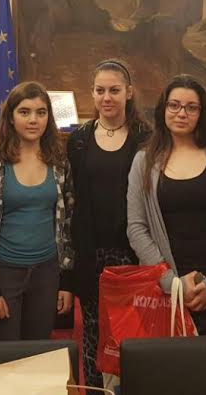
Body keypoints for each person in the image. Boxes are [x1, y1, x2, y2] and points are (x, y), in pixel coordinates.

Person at [126, 74, 206, 335]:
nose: (182, 113)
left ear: (202, 113)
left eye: (191, 107)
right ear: (163, 109)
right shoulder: (143, 162)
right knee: (168, 362)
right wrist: (172, 284)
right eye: (174, 105)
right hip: (163, 291)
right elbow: (136, 228)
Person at [67, 59, 151, 387]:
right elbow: (72, 199)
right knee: (92, 333)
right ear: (92, 93)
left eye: (114, 90)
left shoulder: (147, 138)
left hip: (133, 253)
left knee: (133, 335)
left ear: (129, 92)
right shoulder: (79, 140)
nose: (107, 97)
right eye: (100, 90)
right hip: (90, 253)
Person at [0, 81, 75, 341]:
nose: (33, 120)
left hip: (46, 273)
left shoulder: (59, 162)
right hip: (5, 273)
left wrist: (66, 280)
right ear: (11, 117)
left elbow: (67, 223)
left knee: (38, 352)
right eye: (24, 112)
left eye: (41, 112)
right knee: (7, 356)